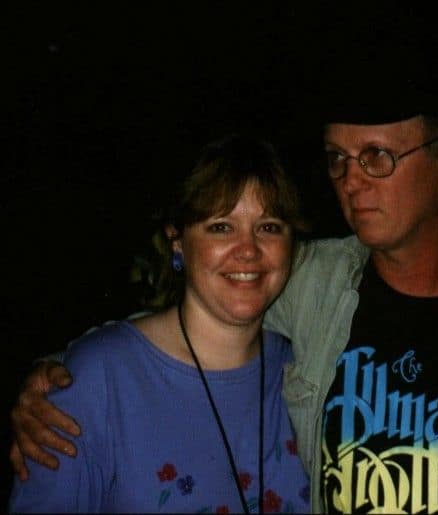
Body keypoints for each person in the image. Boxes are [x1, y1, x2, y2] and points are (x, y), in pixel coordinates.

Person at [10, 82, 438, 514]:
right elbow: (195, 310)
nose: (351, 181)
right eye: (338, 159)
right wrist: (61, 375)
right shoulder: (312, 284)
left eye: (376, 157)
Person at [8, 135, 311, 513]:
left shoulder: (308, 370)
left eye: (269, 227)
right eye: (221, 227)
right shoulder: (98, 377)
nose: (248, 250)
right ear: (177, 241)